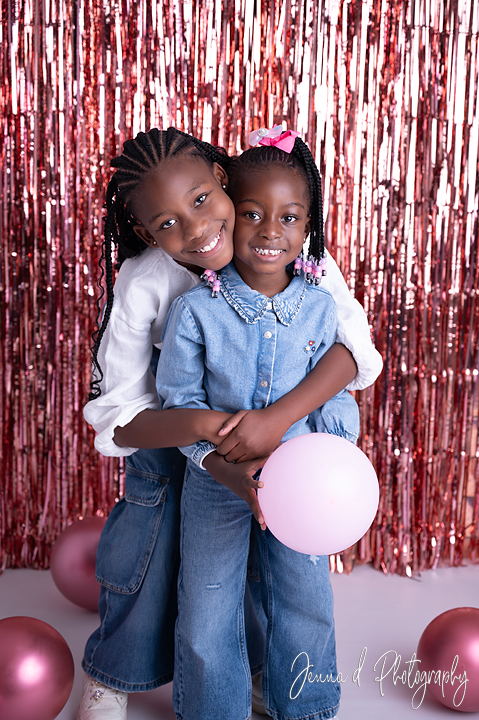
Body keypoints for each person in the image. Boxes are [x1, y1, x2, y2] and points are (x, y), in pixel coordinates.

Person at [78, 126, 382, 720]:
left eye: (201, 202)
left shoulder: (300, 256)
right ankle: (115, 671)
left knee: (271, 574)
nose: (196, 230)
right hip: (166, 439)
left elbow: (355, 352)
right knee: (154, 555)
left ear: (222, 183)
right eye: (167, 224)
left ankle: (268, 678)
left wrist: (274, 422)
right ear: (144, 233)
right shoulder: (149, 282)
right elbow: (118, 418)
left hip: (272, 444)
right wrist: (217, 435)